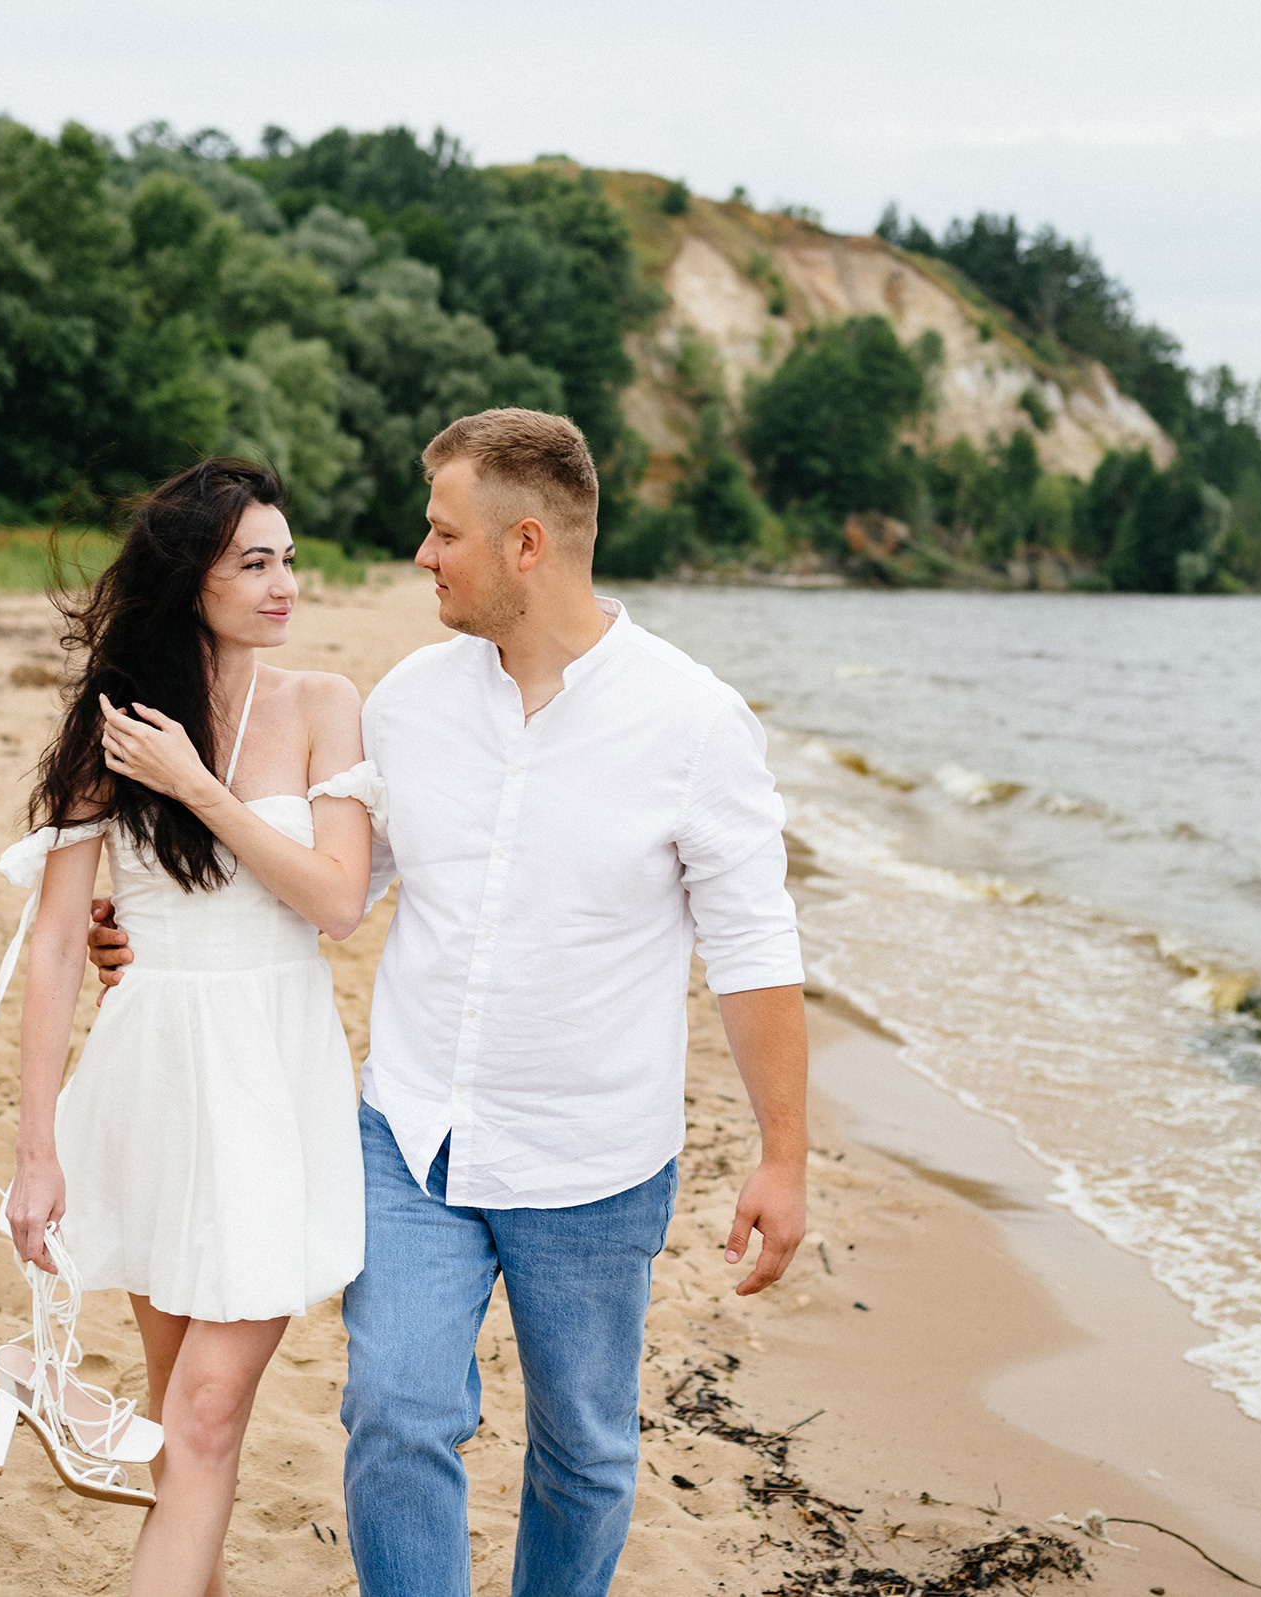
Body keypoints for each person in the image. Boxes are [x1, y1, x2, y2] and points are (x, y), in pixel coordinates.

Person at [89, 410, 808, 1596]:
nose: (421, 555)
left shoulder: (692, 722)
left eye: (441, 533)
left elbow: (751, 942)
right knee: (395, 1413)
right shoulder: (413, 700)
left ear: (527, 544)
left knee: (583, 1451)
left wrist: (783, 1152)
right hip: (411, 1134)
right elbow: (335, 885)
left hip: (593, 1160)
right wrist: (155, 934)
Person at [0, 457, 384, 1597]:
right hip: (152, 1071)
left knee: (204, 1413)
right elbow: (60, 943)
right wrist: (37, 1149)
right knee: (179, 1424)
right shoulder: (115, 726)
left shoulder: (323, 704)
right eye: (254, 561)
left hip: (273, 1072)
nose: (283, 583)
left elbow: (339, 901)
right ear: (188, 579)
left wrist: (199, 787)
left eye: (290, 558)